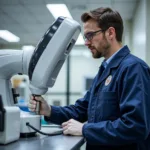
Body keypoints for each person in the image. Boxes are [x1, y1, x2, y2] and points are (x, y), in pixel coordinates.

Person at [28, 7, 150, 150]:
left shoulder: (133, 68)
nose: (86, 42)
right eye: (86, 37)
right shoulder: (105, 70)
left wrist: (85, 129)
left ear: (110, 33)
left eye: (90, 35)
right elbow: (82, 109)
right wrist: (49, 110)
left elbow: (135, 126)